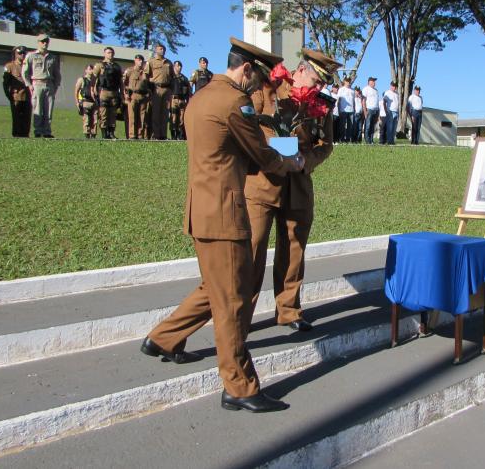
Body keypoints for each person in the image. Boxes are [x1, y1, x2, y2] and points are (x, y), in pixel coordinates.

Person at [141, 37, 304, 413]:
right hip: (225, 213)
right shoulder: (235, 101)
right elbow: (261, 152)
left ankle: (164, 338)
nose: (259, 87)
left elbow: (224, 152)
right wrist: (291, 162)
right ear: (246, 69)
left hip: (202, 209)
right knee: (232, 299)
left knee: (215, 286)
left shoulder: (199, 96)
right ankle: (240, 386)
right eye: (258, 79)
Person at [245, 48, 340, 334]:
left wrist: (306, 162)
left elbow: (326, 144)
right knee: (252, 251)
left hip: (297, 184)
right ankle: (239, 317)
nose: (321, 87)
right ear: (300, 71)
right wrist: (288, 152)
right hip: (263, 182)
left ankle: (288, 310)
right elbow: (252, 132)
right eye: (317, 80)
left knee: (293, 251)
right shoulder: (269, 89)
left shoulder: (321, 104)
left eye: (325, 82)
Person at [22, 34, 61, 138]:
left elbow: (57, 74)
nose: (45, 43)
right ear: (38, 42)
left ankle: (47, 131)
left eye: (47, 41)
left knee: (49, 110)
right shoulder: (31, 56)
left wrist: (56, 86)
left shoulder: (52, 57)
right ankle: (38, 131)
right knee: (37, 109)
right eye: (43, 41)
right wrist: (29, 85)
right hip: (37, 84)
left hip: (49, 85)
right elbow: (25, 72)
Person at [91, 47, 124, 140]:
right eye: (108, 52)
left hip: (114, 92)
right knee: (103, 113)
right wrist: (93, 90)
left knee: (113, 114)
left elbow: (120, 81)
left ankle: (111, 133)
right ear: (104, 54)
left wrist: (122, 93)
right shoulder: (99, 65)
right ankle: (104, 134)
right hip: (103, 91)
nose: (110, 54)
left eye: (112, 53)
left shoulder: (117, 66)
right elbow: (94, 78)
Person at [145, 43, 174, 140]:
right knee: (156, 113)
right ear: (156, 50)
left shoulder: (169, 62)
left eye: (164, 49)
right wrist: (149, 87)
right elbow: (146, 75)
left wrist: (171, 90)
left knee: (165, 113)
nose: (162, 51)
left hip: (166, 89)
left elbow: (172, 76)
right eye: (160, 49)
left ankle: (163, 135)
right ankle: (155, 135)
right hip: (156, 89)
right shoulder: (151, 61)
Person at [2, 46, 31, 138]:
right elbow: (5, 83)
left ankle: (25, 134)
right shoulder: (9, 66)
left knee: (27, 117)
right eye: (20, 53)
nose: (22, 55)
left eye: (24, 53)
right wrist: (8, 95)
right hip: (16, 96)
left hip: (27, 96)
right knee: (16, 117)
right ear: (15, 54)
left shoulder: (29, 66)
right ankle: (16, 134)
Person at [123, 54, 150, 139]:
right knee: (132, 116)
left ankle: (140, 135)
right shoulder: (130, 71)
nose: (140, 62)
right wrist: (126, 94)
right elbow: (124, 83)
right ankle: (132, 135)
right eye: (138, 60)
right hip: (133, 95)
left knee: (142, 117)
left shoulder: (145, 73)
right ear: (135, 60)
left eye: (142, 60)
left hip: (143, 96)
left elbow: (148, 84)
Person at [169, 60, 191, 140]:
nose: (179, 67)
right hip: (173, 99)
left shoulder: (184, 78)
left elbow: (188, 89)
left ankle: (180, 134)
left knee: (181, 118)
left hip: (182, 100)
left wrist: (187, 99)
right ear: (174, 66)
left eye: (181, 66)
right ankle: (173, 135)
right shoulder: (170, 77)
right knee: (173, 117)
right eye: (178, 65)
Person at [75, 64, 98, 139]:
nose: (91, 70)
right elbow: (76, 91)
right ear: (86, 70)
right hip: (86, 101)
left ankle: (93, 134)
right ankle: (87, 134)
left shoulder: (95, 80)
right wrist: (77, 102)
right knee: (87, 119)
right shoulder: (82, 79)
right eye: (89, 69)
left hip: (94, 102)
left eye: (92, 69)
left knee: (95, 120)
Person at [336, 77, 354, 142]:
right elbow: (338, 100)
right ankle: (342, 139)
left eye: (349, 81)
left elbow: (353, 101)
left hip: (351, 111)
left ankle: (348, 139)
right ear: (344, 82)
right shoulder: (341, 89)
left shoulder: (352, 90)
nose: (348, 83)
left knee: (350, 126)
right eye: (347, 81)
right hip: (343, 110)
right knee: (342, 125)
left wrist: (354, 109)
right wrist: (338, 109)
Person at [362, 76, 379, 144]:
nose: (374, 83)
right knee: (368, 125)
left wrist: (378, 111)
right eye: (373, 81)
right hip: (369, 109)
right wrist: (365, 111)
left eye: (374, 81)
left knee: (373, 126)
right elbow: (363, 101)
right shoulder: (366, 89)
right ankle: (367, 139)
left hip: (376, 110)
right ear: (369, 82)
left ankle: (371, 139)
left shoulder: (376, 90)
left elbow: (377, 101)